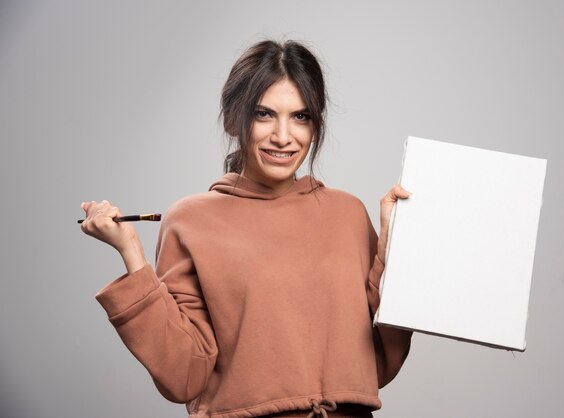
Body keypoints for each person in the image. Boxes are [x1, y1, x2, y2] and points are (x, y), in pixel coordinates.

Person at [80, 39, 413, 418]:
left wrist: (393, 246)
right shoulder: (189, 220)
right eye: (264, 114)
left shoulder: (348, 213)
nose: (284, 136)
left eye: (301, 117)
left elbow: (380, 364)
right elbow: (184, 375)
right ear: (233, 119)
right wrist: (132, 255)